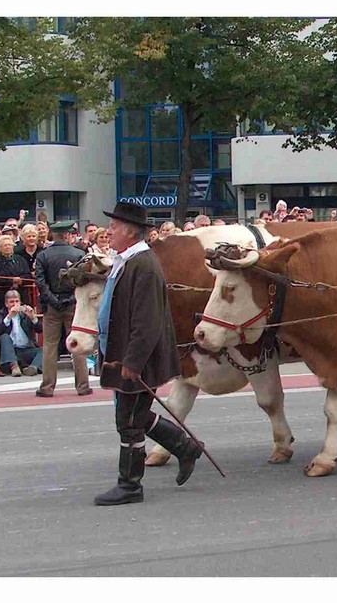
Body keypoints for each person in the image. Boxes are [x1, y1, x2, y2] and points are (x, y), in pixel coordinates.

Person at [94, 201, 202, 506]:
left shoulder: (144, 265)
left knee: (128, 422)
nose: (108, 231)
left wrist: (133, 362)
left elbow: (147, 322)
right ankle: (185, 447)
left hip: (135, 359)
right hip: (121, 355)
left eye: (114, 227)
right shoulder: (126, 260)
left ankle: (130, 485)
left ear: (129, 232)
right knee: (136, 415)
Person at [34, 220, 91, 397]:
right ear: (67, 235)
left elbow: (40, 282)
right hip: (73, 304)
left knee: (50, 346)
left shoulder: (43, 256)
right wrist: (70, 299)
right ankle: (82, 386)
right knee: (77, 345)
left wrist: (53, 299)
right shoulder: (79, 254)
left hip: (52, 305)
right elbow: (84, 281)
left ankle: (47, 387)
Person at [0, 289, 43, 377]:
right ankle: (14, 367)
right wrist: (9, 317)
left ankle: (33, 368)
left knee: (45, 350)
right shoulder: (1, 313)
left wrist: (33, 318)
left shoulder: (24, 314)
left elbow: (40, 329)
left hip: (26, 349)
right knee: (4, 337)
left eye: (17, 301)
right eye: (11, 302)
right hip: (11, 351)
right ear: (6, 304)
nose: (15, 304)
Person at [0, 235, 33, 314]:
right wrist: (11, 281)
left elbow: (28, 275)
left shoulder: (20, 259)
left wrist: (20, 280)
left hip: (22, 293)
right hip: (3, 295)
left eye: (9, 245)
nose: (8, 247)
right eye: (5, 245)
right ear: (0, 248)